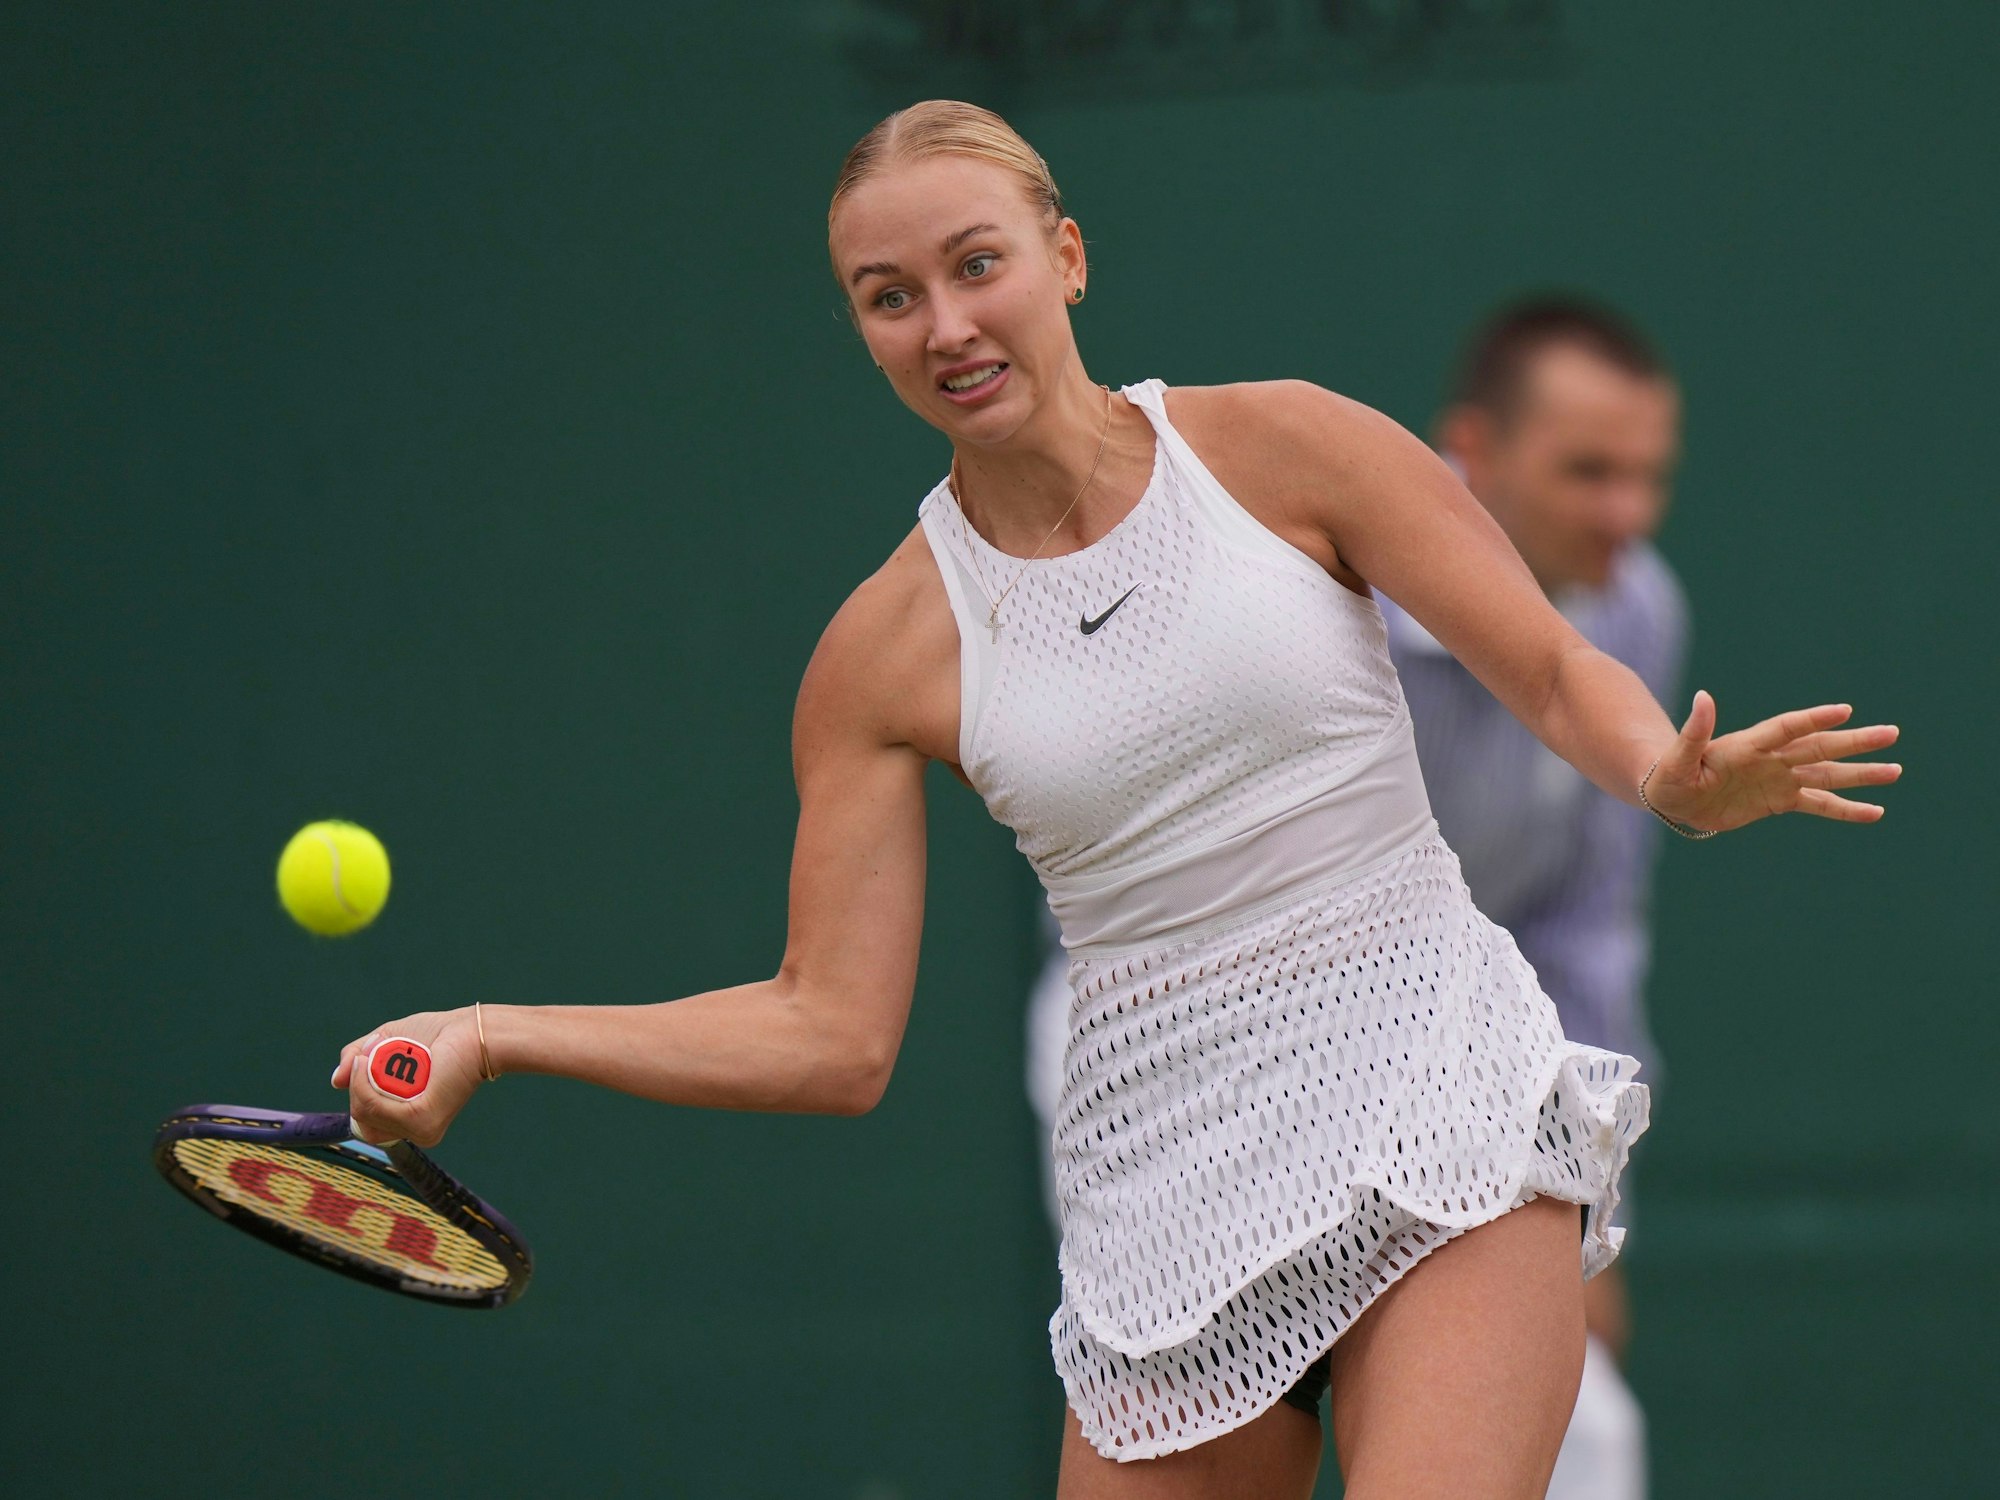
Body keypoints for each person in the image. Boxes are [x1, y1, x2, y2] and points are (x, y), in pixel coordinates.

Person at [333, 103, 1901, 1499]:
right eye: (891, 298)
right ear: (862, 330)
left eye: (977, 264)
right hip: (1162, 1188)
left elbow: (1557, 673)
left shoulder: (1288, 445)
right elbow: (830, 1033)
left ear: (1065, 256)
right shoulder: (883, 655)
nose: (945, 322)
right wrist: (497, 1030)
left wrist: (1666, 777)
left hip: (1435, 1086)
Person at [1025, 295, 1692, 1498]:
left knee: (1588, 1442)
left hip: (1448, 1048)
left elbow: (1582, 929)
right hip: (1180, 1067)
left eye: (1646, 476)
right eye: (1587, 471)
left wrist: (1594, 1189)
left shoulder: (1637, 608)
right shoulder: (1296, 585)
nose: (1625, 515)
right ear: (1471, 455)